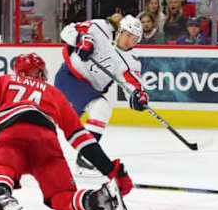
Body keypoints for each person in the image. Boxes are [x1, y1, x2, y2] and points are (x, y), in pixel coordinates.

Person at [0, 53, 132, 210]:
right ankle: (100, 198)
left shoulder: (4, 80)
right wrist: (110, 170)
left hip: (11, 135)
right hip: (46, 143)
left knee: (0, 169)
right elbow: (81, 138)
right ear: (41, 73)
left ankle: (2, 197)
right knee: (63, 197)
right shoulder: (54, 93)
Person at [55, 14, 148, 172]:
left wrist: (138, 96)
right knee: (102, 108)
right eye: (127, 35)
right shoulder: (99, 27)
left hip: (88, 91)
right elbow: (66, 31)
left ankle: (85, 155)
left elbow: (131, 84)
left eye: (133, 39)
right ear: (119, 31)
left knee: (55, 122)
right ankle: (87, 155)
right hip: (69, 78)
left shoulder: (130, 61)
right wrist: (80, 40)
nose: (128, 41)